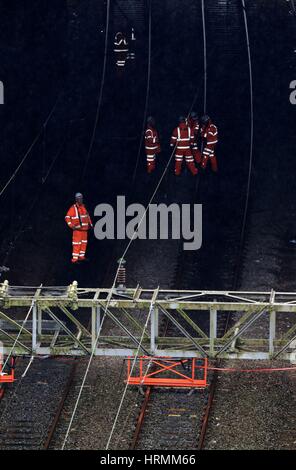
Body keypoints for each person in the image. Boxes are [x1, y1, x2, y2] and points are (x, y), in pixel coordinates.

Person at [65, 193, 93, 264]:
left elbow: (87, 216)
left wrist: (91, 225)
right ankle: (74, 259)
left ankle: (81, 257)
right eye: (79, 198)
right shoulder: (73, 208)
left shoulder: (83, 207)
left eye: (81, 198)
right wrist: (71, 226)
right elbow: (67, 217)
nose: (80, 200)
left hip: (84, 230)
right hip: (77, 230)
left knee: (83, 243)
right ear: (76, 199)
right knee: (77, 244)